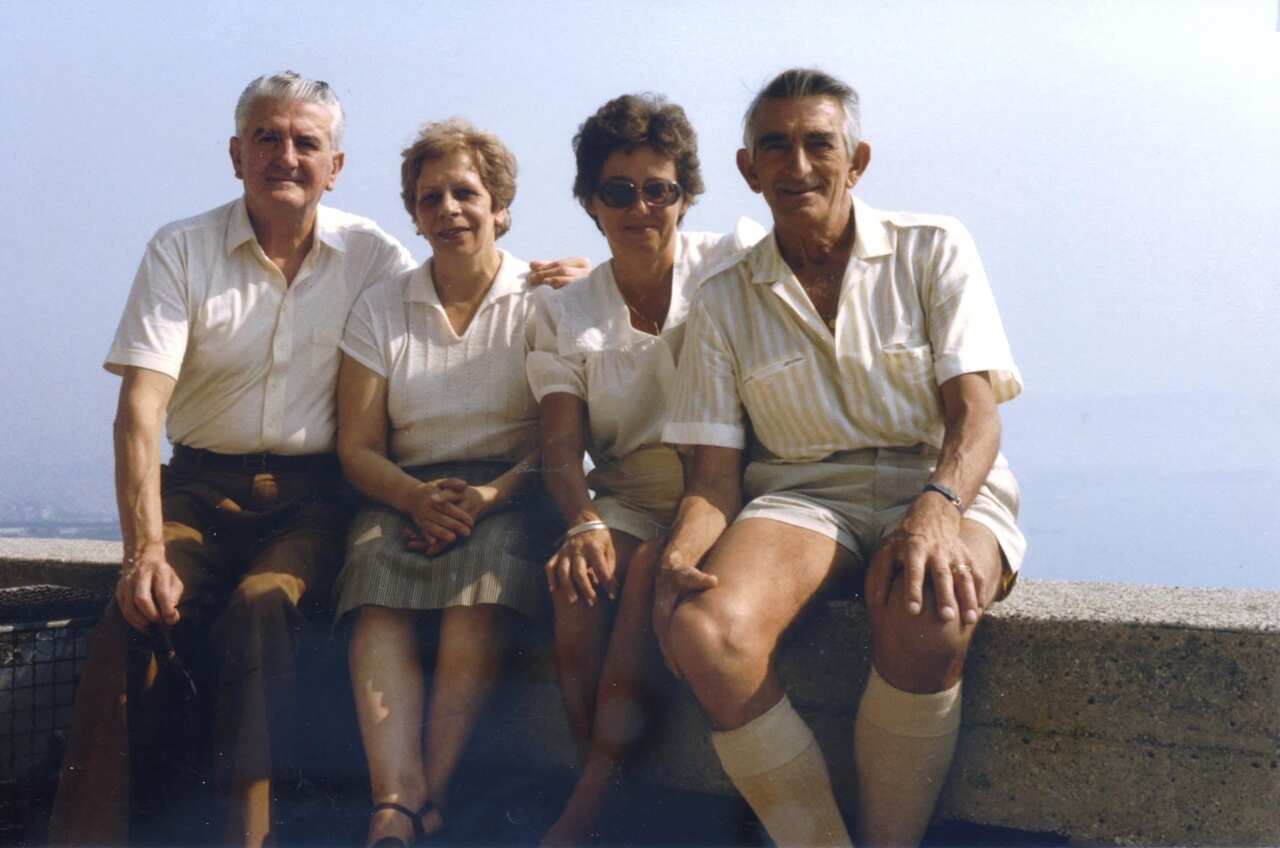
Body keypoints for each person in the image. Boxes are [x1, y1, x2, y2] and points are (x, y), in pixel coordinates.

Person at [654, 68, 1026, 848]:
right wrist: (681, 555)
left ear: (856, 160)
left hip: (942, 481)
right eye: (774, 147)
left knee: (931, 610)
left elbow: (975, 413)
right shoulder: (721, 297)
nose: (796, 166)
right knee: (706, 633)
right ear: (746, 169)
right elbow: (713, 475)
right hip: (802, 495)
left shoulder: (932, 247)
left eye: (818, 144)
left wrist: (938, 509)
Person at [49, 71, 415, 847]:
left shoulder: (374, 257)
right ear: (235, 153)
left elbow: (456, 302)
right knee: (130, 620)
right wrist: (142, 551)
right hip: (197, 487)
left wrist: (549, 284)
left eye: (305, 142)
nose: (286, 155)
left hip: (313, 498)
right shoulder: (182, 248)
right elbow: (140, 411)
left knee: (264, 607)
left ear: (335, 166)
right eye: (267, 138)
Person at [334, 118, 582, 848]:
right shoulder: (382, 306)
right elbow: (357, 444)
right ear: (413, 213)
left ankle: (426, 797)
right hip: (404, 488)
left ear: (500, 206)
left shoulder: (542, 300)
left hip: (514, 487)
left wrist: (492, 497)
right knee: (375, 579)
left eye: (466, 193)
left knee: (482, 586)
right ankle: (396, 796)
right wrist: (412, 497)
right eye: (430, 196)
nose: (449, 210)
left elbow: (558, 437)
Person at [526, 93, 763, 846]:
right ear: (591, 202)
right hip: (625, 496)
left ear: (685, 195)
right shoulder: (567, 312)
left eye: (658, 189)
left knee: (645, 584)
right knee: (573, 589)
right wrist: (583, 523)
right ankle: (599, 774)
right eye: (618, 192)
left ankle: (590, 805)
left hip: (725, 492)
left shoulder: (729, 264)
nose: (640, 208)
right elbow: (561, 447)